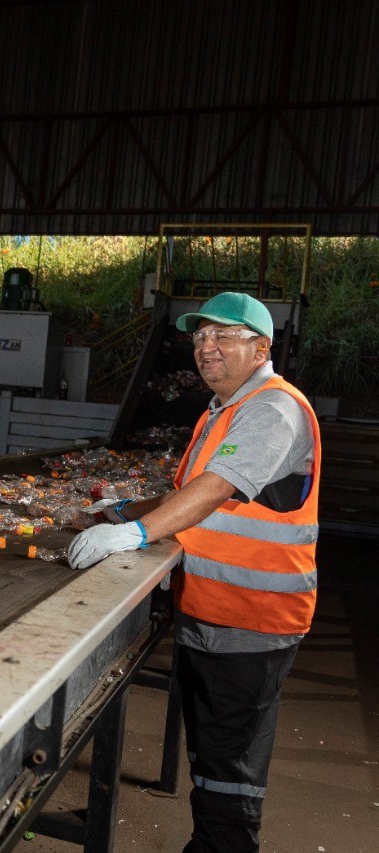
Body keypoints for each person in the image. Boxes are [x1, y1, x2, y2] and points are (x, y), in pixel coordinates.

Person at [67, 292, 320, 853]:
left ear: (262, 347)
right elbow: (195, 494)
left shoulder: (273, 408)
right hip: (214, 606)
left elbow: (218, 488)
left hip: (253, 617)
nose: (206, 347)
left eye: (224, 335)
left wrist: (134, 535)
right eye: (201, 336)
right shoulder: (224, 410)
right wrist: (126, 509)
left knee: (229, 765)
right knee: (212, 753)